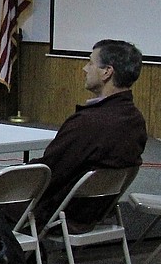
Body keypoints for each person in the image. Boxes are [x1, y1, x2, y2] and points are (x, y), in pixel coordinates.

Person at [30, 39, 147, 225]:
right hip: (97, 211)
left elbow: (48, 172)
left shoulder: (88, 123)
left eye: (90, 63)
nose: (85, 69)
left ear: (107, 72)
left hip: (62, 213)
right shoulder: (136, 120)